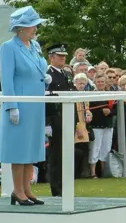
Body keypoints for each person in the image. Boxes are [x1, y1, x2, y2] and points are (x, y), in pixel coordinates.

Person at [0, 6, 51, 206]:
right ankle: (17, 190)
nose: (35, 29)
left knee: (31, 148)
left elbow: (38, 68)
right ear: (20, 28)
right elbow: (7, 80)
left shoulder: (34, 46)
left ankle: (27, 189)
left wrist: (44, 78)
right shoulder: (8, 47)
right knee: (18, 149)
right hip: (20, 104)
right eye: (31, 26)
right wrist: (11, 105)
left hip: (35, 104)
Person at [45, 44, 76, 196]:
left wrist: (76, 119)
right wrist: (46, 123)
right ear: (51, 57)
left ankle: (66, 188)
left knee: (68, 155)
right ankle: (57, 190)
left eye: (64, 56)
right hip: (55, 119)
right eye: (59, 56)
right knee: (56, 156)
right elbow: (45, 99)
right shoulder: (47, 74)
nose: (63, 58)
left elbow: (73, 95)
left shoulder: (67, 74)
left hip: (68, 117)